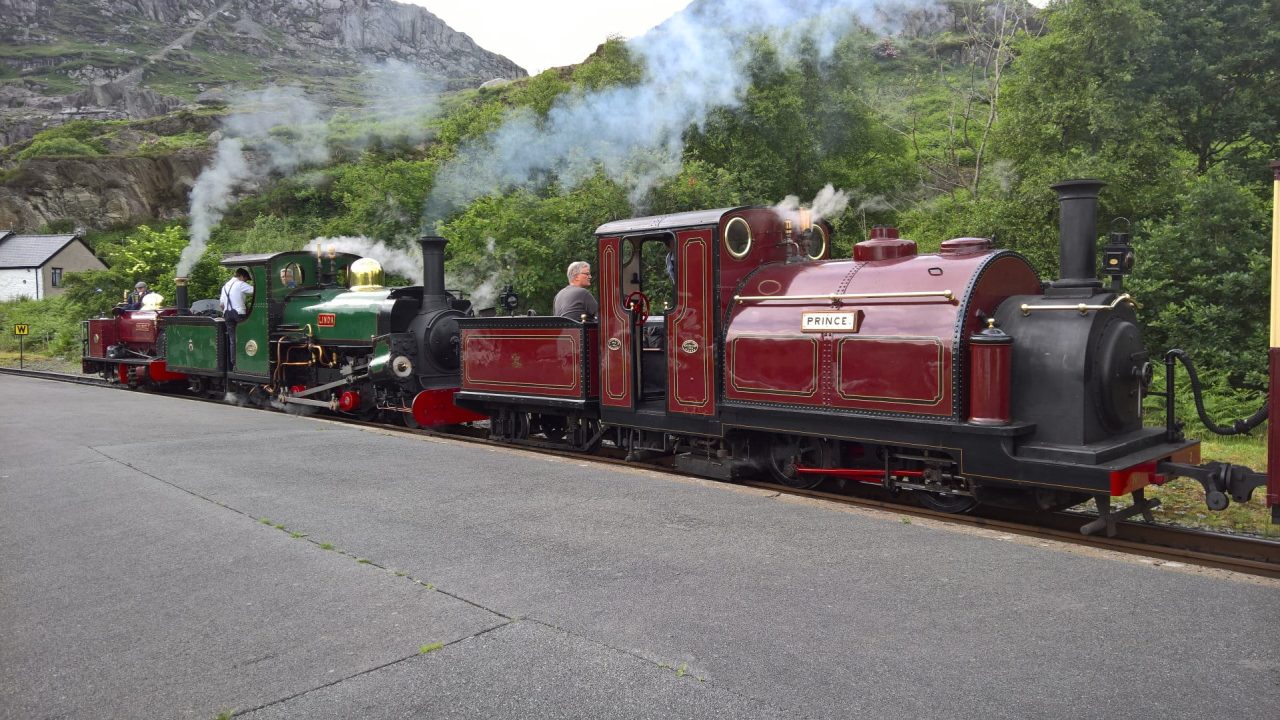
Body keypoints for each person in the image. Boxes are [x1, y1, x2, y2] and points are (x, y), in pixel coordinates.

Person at [220, 268, 254, 367]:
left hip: (227, 314)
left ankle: (235, 362)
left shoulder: (225, 286)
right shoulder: (240, 284)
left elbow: (221, 304)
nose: (246, 281)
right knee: (245, 337)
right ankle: (247, 359)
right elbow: (254, 291)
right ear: (242, 276)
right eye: (246, 279)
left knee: (233, 339)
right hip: (239, 313)